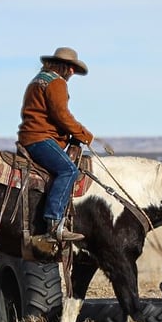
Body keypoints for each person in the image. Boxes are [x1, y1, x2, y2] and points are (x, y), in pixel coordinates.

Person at [18, 47, 94, 242]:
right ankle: (54, 223)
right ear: (63, 66)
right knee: (68, 170)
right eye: (70, 68)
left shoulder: (38, 80)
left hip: (30, 135)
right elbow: (61, 114)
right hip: (40, 138)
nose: (71, 73)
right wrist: (83, 134)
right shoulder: (56, 83)